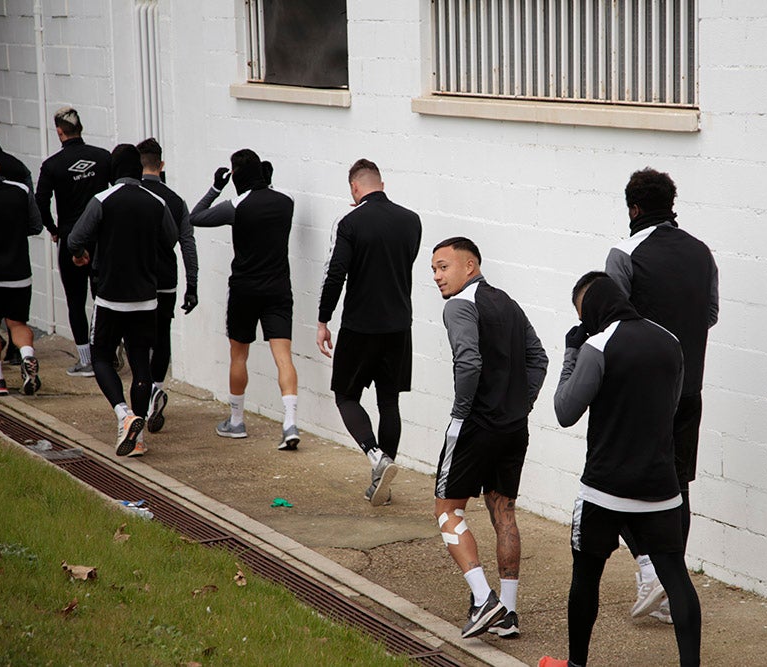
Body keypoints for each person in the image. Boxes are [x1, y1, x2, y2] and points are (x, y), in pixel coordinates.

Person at [540, 272, 702, 667]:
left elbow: (565, 411)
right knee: (677, 581)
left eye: (583, 315)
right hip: (660, 487)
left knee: (586, 579)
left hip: (604, 488)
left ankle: (576, 664)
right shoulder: (670, 341)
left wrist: (571, 354)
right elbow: (675, 403)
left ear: (593, 308)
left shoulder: (597, 345)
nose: (584, 323)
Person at [604, 167, 718, 622]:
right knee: (677, 486)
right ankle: (670, 584)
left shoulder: (624, 253)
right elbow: (708, 314)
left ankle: (653, 571)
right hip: (690, 387)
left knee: (616, 480)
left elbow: (611, 326)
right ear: (670, 204)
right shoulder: (702, 252)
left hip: (641, 393)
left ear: (633, 208)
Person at [430, 237, 548, 639]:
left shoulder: (459, 305)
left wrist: (462, 413)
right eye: (433, 269)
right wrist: (520, 404)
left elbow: (468, 362)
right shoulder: (508, 302)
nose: (437, 276)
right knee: (504, 514)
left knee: (447, 510)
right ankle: (508, 616)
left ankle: (484, 600)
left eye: (444, 266)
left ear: (471, 265)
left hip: (476, 426)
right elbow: (539, 357)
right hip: (513, 427)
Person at [316, 158, 422, 506]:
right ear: (382, 183)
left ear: (355, 189)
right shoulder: (411, 221)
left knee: (346, 396)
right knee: (388, 401)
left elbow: (336, 275)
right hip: (398, 327)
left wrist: (323, 320)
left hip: (360, 326)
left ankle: (376, 456)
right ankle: (383, 486)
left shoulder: (350, 222)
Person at [67, 144, 177, 457]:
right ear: (139, 170)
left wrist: (81, 255)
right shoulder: (157, 201)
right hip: (146, 299)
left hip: (110, 298)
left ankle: (123, 415)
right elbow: (169, 240)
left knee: (101, 357)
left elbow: (75, 240)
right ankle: (139, 441)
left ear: (114, 171)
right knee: (141, 363)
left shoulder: (102, 200)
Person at [190, 149, 300, 451]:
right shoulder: (286, 202)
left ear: (236, 175)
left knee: (239, 356)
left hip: (244, 291)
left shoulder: (236, 205)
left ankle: (236, 421)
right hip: (279, 289)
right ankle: (290, 422)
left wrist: (215, 187)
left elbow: (195, 217)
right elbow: (270, 193)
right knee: (284, 357)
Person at [35, 107, 111, 377]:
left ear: (59, 132)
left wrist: (53, 229)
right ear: (81, 128)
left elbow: (40, 202)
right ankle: (107, 355)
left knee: (76, 300)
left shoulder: (53, 165)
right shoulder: (102, 158)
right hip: (102, 237)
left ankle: (86, 360)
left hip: (71, 237)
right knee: (103, 297)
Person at [136, 138, 199, 434]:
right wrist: (193, 285)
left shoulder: (128, 195)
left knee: (137, 338)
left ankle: (142, 392)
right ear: (162, 165)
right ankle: (155, 391)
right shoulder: (176, 200)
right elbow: (187, 244)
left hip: (136, 282)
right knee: (162, 336)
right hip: (166, 281)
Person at [0, 155, 44, 396]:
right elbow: (36, 226)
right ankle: (27, 356)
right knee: (17, 324)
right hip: (19, 272)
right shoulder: (21, 190)